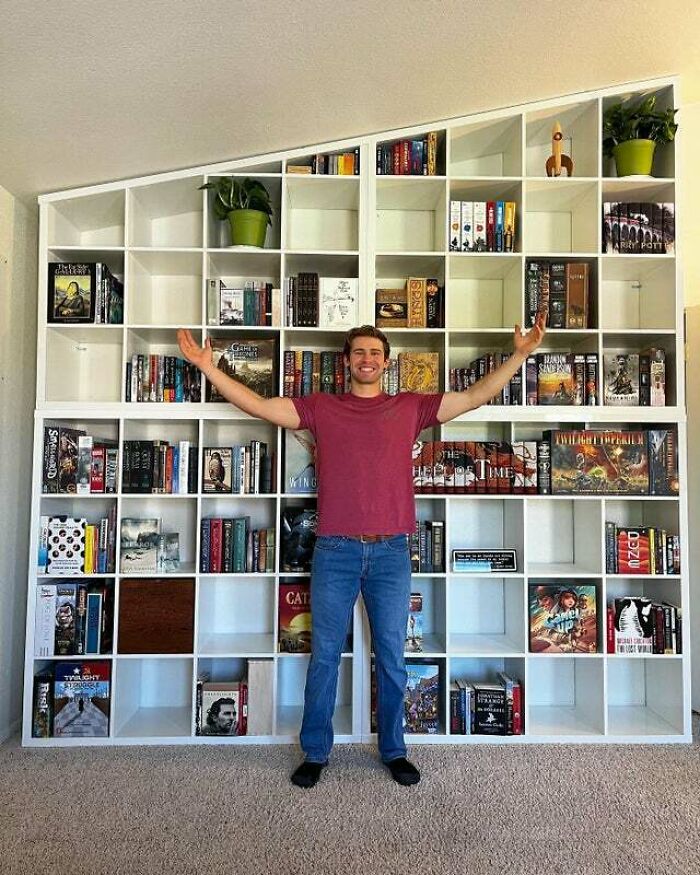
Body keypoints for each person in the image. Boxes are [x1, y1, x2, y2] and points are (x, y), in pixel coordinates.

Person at [177, 311, 546, 788]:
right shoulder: (320, 408)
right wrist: (210, 368)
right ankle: (315, 751)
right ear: (347, 362)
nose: (367, 359)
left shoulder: (410, 407)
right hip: (336, 551)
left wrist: (519, 355)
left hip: (392, 552)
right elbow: (259, 406)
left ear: (386, 362)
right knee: (325, 654)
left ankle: (394, 749)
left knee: (392, 655)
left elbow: (476, 396)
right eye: (359, 352)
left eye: (375, 352)